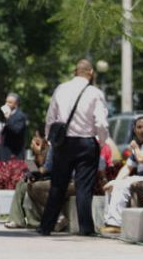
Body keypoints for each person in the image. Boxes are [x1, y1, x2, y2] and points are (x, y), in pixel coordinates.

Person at [38, 59, 109, 236]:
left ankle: (46, 227)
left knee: (57, 185)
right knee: (83, 186)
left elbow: (50, 117)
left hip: (63, 143)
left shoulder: (61, 89)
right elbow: (100, 122)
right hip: (86, 143)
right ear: (91, 72)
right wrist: (101, 141)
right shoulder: (94, 92)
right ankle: (86, 228)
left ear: (75, 71)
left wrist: (49, 139)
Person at [100, 116, 143, 235]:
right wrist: (114, 181)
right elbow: (127, 167)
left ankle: (115, 224)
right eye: (139, 127)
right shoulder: (140, 145)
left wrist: (134, 147)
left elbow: (141, 158)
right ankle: (109, 222)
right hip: (142, 177)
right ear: (134, 129)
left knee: (122, 186)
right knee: (112, 186)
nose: (142, 130)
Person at [0, 92, 27, 161]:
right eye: (6, 102)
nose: (6, 104)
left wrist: (8, 118)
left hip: (15, 153)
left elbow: (16, 130)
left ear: (16, 104)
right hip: (4, 153)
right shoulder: (6, 115)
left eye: (10, 102)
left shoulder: (20, 116)